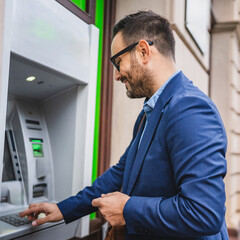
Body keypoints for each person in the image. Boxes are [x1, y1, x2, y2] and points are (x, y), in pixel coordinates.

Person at [19, 11, 229, 240]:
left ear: (143, 51)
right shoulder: (150, 112)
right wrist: (63, 208)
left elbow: (204, 213)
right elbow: (121, 174)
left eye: (117, 62)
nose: (117, 76)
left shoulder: (190, 108)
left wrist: (127, 210)